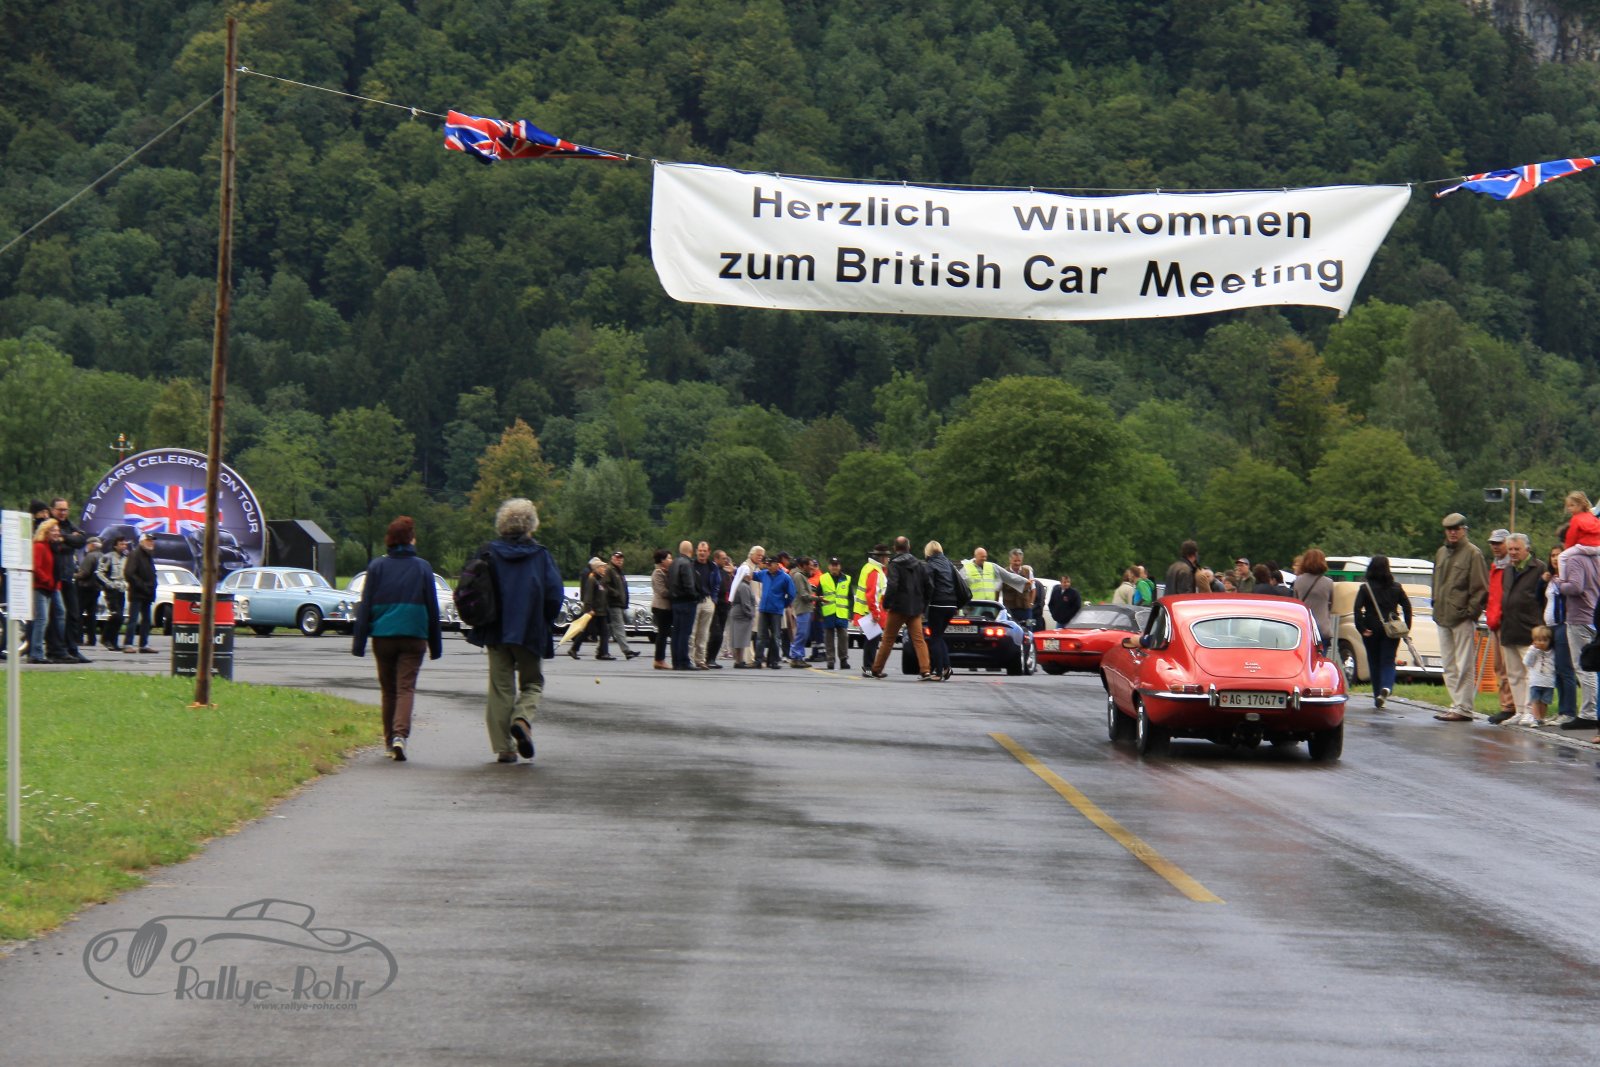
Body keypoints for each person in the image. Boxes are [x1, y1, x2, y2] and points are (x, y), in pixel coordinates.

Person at [463, 498, 563, 763]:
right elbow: (554, 595)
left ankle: (504, 748)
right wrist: (545, 620)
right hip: (529, 629)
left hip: (494, 629)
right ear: (531, 524)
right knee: (533, 683)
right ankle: (522, 719)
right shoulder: (541, 555)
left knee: (500, 688)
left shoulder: (487, 552)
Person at [351, 516, 443, 761]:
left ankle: (389, 742)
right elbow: (432, 607)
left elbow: (366, 605)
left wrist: (359, 643)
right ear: (411, 540)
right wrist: (436, 645)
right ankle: (400, 735)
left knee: (388, 690)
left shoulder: (377, 567)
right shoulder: (423, 567)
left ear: (389, 540)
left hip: (383, 637)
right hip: (414, 636)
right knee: (405, 687)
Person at [1433, 512, 1490, 722]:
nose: (1453, 533)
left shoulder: (1473, 553)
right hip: (1442, 616)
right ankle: (1456, 704)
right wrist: (1435, 603)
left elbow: (1481, 588)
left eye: (1456, 529)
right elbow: (1436, 582)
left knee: (1464, 663)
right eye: (1449, 529)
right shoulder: (1441, 552)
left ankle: (1464, 707)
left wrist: (1470, 613)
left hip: (1462, 617)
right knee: (1448, 664)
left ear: (1464, 530)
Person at [1554, 518, 1600, 730]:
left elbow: (1575, 587)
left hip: (1579, 616)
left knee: (1584, 666)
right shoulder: (1595, 557)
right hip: (1593, 614)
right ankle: (1592, 710)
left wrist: (1559, 583)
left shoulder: (1574, 559)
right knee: (1593, 665)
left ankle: (1588, 713)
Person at [1493, 532, 1543, 726]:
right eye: (1510, 549)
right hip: (1509, 627)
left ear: (1527, 549)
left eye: (1517, 549)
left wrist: (1539, 625)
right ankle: (1520, 710)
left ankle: (1530, 711)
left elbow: (1542, 599)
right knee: (1513, 673)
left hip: (1529, 628)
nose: (1513, 553)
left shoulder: (1538, 569)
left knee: (1531, 673)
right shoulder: (1508, 569)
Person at [871, 536, 932, 680]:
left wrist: (887, 603)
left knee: (888, 639)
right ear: (908, 547)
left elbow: (893, 585)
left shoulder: (894, 564)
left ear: (894, 548)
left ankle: (877, 669)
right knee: (919, 640)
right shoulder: (919, 564)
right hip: (915, 608)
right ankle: (925, 670)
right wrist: (923, 604)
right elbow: (929, 586)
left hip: (898, 608)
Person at [1355, 555, 1412, 708]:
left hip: (1371, 628)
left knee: (1374, 662)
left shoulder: (1365, 588)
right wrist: (1406, 627)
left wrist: (1361, 628)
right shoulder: (1396, 587)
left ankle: (1377, 696)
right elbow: (1407, 607)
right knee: (1388, 661)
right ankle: (1386, 687)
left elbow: (1357, 609)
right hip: (1392, 629)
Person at [47, 498, 89, 661]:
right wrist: (70, 539)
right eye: (60, 509)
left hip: (68, 576)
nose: (63, 513)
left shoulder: (69, 525)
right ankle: (57, 649)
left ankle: (72, 648)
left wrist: (64, 538)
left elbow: (82, 540)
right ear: (52, 510)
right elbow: (54, 545)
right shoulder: (49, 525)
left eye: (65, 509)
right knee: (56, 615)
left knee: (73, 614)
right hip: (54, 577)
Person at [1482, 529, 1516, 721]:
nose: (1495, 546)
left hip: (1507, 621)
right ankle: (1505, 704)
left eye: (1499, 543)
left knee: (1509, 666)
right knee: (1499, 666)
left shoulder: (1511, 566)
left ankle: (1511, 706)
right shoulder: (1495, 565)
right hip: (1494, 621)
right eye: (1493, 543)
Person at [1543, 542, 1578, 723]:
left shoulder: (1568, 578)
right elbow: (1538, 597)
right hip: (1550, 626)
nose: (1555, 558)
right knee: (1556, 670)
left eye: (1558, 555)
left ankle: (1569, 711)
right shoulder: (1551, 579)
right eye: (1552, 555)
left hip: (1563, 624)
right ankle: (1562, 709)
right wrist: (1542, 582)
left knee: (1565, 669)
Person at [922, 541, 960, 681]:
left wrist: (923, 605)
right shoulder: (949, 564)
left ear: (928, 552)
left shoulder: (930, 565)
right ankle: (946, 667)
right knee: (939, 636)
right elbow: (956, 583)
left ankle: (938, 672)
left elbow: (929, 586)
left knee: (934, 637)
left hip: (937, 604)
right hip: (951, 604)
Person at [29, 519, 65, 665]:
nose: (57, 533)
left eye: (57, 530)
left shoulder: (53, 547)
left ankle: (56, 646)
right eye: (53, 530)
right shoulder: (39, 546)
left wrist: (55, 583)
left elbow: (55, 568)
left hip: (53, 587)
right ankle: (36, 653)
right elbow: (36, 567)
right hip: (41, 586)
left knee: (59, 614)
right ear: (46, 531)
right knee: (42, 619)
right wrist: (47, 580)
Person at [853, 544, 889, 677]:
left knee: (871, 641)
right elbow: (872, 594)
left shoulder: (869, 567)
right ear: (882, 557)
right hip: (871, 612)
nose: (888, 559)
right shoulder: (875, 571)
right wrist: (876, 613)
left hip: (866, 611)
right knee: (872, 642)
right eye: (887, 557)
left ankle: (871, 668)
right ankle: (869, 668)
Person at [567, 557, 614, 660]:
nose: (604, 569)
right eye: (602, 567)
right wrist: (589, 609)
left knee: (604, 632)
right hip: (594, 611)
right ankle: (574, 649)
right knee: (587, 631)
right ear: (597, 568)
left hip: (602, 611)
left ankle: (602, 653)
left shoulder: (601, 580)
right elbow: (588, 596)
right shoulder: (592, 579)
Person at [754, 555, 795, 669]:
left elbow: (791, 594)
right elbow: (752, 575)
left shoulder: (785, 577)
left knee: (775, 636)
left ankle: (773, 661)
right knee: (761, 636)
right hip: (764, 609)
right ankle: (758, 660)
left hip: (776, 610)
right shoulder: (764, 574)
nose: (768, 566)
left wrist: (783, 604)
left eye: (770, 564)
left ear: (777, 565)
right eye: (767, 564)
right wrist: (738, 570)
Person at [1291, 549, 1335, 656]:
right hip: (1322, 629)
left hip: (1304, 627)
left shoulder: (1298, 581)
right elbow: (1331, 605)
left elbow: (1295, 604)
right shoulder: (1329, 583)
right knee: (1320, 660)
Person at [122, 531, 159, 654]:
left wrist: (152, 587)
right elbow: (129, 573)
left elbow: (151, 573)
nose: (151, 543)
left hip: (147, 593)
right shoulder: (135, 554)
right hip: (137, 593)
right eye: (148, 540)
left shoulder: (148, 555)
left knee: (147, 620)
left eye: (152, 541)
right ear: (142, 542)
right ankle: (128, 644)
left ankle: (144, 644)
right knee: (133, 619)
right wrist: (142, 586)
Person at [600, 550, 639, 660]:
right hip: (613, 603)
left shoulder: (619, 571)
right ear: (612, 558)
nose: (619, 560)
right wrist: (615, 593)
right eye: (617, 558)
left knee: (609, 629)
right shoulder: (610, 570)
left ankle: (600, 650)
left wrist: (625, 601)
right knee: (619, 627)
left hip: (619, 604)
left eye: (621, 558)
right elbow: (603, 584)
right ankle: (627, 651)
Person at [667, 540, 698, 670]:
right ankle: (684, 661)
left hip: (675, 602)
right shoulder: (687, 564)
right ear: (691, 551)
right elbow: (689, 584)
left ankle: (676, 661)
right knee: (685, 633)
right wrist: (695, 596)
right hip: (686, 602)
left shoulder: (673, 563)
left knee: (677, 632)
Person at [691, 541, 721, 669]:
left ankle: (701, 659)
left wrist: (713, 599)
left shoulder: (712, 567)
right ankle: (689, 659)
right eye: (700, 550)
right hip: (695, 601)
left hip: (708, 600)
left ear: (709, 552)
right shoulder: (691, 565)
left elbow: (717, 583)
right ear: (696, 551)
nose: (702, 553)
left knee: (704, 633)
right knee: (692, 632)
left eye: (704, 551)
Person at [95, 535, 129, 650]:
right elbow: (99, 572)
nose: (123, 546)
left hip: (121, 589)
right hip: (111, 590)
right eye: (121, 544)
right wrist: (108, 584)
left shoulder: (126, 558)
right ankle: (105, 638)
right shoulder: (108, 557)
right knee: (116, 615)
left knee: (120, 617)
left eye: (125, 544)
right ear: (115, 546)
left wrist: (126, 584)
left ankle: (114, 642)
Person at [818, 556, 852, 670]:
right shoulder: (823, 578)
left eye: (836, 565)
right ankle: (830, 660)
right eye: (832, 565)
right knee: (829, 638)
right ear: (829, 567)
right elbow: (818, 596)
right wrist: (819, 613)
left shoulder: (847, 579)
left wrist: (850, 613)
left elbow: (850, 597)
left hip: (842, 613)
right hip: (828, 613)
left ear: (840, 566)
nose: (834, 567)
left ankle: (843, 660)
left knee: (843, 637)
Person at [704, 549, 734, 667]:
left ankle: (712, 658)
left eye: (726, 558)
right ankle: (708, 658)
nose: (725, 560)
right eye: (723, 558)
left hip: (724, 606)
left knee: (720, 633)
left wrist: (731, 574)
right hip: (716, 605)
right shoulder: (713, 570)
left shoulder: (725, 572)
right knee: (715, 633)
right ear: (716, 559)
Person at [1524, 626, 1558, 727]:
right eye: (1539, 640)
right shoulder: (1533, 651)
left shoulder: (1553, 652)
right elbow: (1527, 662)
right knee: (1535, 701)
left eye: (1545, 640)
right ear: (1534, 641)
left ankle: (1541, 718)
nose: (1542, 643)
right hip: (1535, 681)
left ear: (1549, 641)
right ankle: (1536, 718)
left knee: (1545, 702)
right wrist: (1533, 650)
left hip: (1549, 682)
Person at [787, 557, 817, 667]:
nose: (812, 567)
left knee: (804, 634)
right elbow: (803, 595)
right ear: (803, 566)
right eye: (810, 565)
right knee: (801, 634)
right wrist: (818, 598)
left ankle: (799, 657)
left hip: (806, 609)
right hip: (802, 608)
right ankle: (795, 657)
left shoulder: (803, 576)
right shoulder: (798, 576)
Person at [726, 564, 758, 668]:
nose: (751, 575)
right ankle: (739, 660)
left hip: (738, 613)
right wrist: (751, 614)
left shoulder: (742, 585)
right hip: (742, 614)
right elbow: (746, 603)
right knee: (740, 638)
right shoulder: (744, 586)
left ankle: (739, 660)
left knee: (738, 638)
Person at [75, 536, 104, 648]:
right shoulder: (102, 556)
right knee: (92, 615)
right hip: (96, 588)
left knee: (79, 613)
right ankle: (92, 639)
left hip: (85, 588)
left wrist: (75, 575)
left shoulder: (90, 556)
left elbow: (85, 573)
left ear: (92, 545)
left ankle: (79, 638)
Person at [1000, 548, 1036, 628]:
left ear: (1022, 560)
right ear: (1010, 560)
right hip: (1009, 608)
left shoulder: (1028, 572)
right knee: (1009, 630)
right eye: (1015, 561)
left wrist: (1031, 604)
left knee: (1029, 629)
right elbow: (998, 589)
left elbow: (1033, 590)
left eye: (1019, 561)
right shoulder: (1003, 572)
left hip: (1026, 608)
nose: (1017, 563)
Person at [650, 548, 673, 669]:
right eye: (669, 558)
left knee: (665, 633)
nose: (671, 560)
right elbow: (662, 591)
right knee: (662, 634)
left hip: (667, 608)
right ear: (662, 560)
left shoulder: (667, 572)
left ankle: (660, 659)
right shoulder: (657, 573)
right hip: (660, 607)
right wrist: (675, 593)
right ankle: (659, 659)